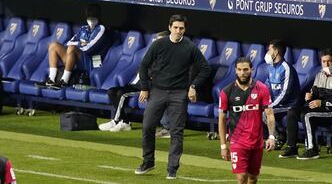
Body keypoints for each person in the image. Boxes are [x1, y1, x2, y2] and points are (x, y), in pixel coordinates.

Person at [135, 14, 211, 179]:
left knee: (176, 131)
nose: (178, 31)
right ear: (170, 27)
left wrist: (193, 86)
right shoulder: (159, 44)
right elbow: (144, 65)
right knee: (147, 126)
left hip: (179, 93)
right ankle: (148, 162)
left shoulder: (189, 47)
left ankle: (172, 168)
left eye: (181, 28)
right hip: (157, 91)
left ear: (185, 29)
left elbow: (205, 68)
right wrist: (144, 87)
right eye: (175, 27)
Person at [218, 57, 276, 184]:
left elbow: (270, 114)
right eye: (239, 70)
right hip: (237, 142)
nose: (242, 73)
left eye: (245, 69)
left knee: (253, 178)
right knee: (241, 177)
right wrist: (223, 145)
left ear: (251, 70)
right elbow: (221, 119)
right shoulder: (226, 92)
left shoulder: (262, 89)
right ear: (235, 71)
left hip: (256, 142)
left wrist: (271, 136)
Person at [98, 31, 170, 132]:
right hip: (136, 84)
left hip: (146, 87)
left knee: (122, 94)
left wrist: (146, 86)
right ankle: (123, 121)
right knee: (111, 91)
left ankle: (117, 121)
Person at [36, 4, 111, 89]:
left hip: (92, 62)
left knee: (72, 49)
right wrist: (80, 43)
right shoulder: (84, 28)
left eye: (93, 16)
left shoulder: (101, 29)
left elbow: (88, 48)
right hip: (76, 59)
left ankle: (64, 81)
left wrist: (78, 45)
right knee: (54, 45)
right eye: (89, 16)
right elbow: (69, 43)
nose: (90, 18)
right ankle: (51, 79)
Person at [297, 49, 332, 160]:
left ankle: (312, 150)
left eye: (329, 61)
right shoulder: (319, 75)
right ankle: (291, 146)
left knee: (307, 115)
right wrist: (309, 97)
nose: (326, 64)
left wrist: (322, 102)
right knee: (294, 111)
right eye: (323, 61)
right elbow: (314, 93)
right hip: (322, 109)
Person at [263, 39, 302, 157]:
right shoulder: (271, 67)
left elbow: (286, 93)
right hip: (278, 105)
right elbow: (267, 87)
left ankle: (277, 139)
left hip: (290, 105)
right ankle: (278, 137)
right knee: (261, 110)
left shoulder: (286, 68)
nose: (267, 52)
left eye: (269, 50)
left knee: (266, 112)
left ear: (276, 52)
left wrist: (271, 105)